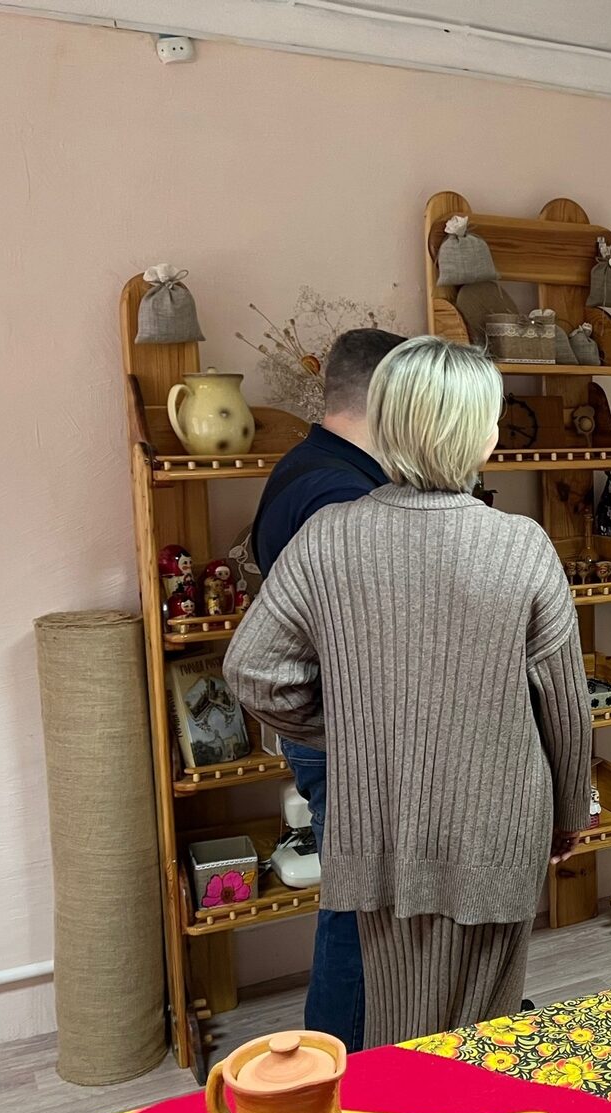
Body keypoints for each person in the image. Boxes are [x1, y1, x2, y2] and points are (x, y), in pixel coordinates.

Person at [226, 336, 593, 1045]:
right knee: (485, 1021)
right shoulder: (520, 544)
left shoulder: (328, 536)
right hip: (500, 824)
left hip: (379, 823)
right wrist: (570, 810)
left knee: (394, 1027)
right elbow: (566, 709)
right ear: (477, 435)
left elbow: (254, 672)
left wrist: (355, 725)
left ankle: (395, 1108)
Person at [248, 327, 403, 1050]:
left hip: (336, 726)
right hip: (347, 731)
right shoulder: (340, 495)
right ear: (390, 395)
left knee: (362, 896)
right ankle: (343, 1066)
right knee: (358, 905)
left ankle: (378, 1046)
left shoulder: (309, 468)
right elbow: (364, 641)